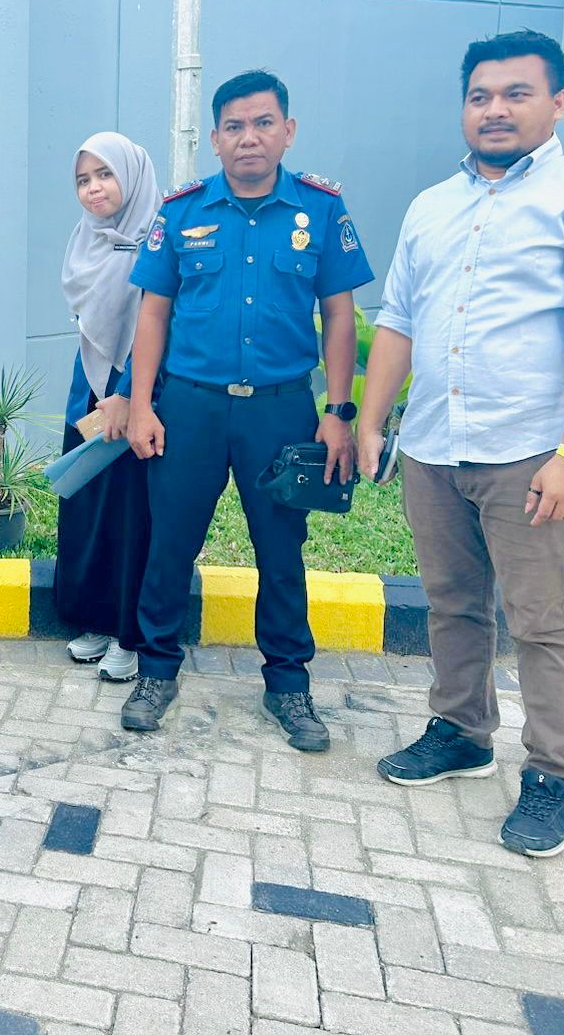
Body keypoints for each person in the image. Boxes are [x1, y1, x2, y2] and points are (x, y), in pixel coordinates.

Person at [360, 30, 564, 857]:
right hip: (435, 448)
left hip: (530, 455)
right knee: (453, 604)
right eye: (480, 96)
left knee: (543, 621)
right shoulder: (432, 206)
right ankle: (462, 733)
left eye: (516, 94)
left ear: (557, 102)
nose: (494, 109)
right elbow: (398, 320)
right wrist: (371, 420)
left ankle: (553, 775)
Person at [123, 70, 373, 749]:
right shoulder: (182, 213)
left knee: (281, 550)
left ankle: (288, 685)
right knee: (170, 543)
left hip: (281, 412)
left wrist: (338, 411)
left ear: (287, 131)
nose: (249, 138)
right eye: (234, 126)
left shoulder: (321, 211)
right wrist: (142, 405)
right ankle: (156, 670)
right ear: (215, 139)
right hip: (190, 409)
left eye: (263, 123)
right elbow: (153, 314)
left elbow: (340, 316)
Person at [56, 133, 161, 683]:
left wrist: (128, 394)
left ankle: (130, 634)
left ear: (132, 176)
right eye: (83, 180)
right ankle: (94, 618)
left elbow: (162, 323)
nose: (94, 188)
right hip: (90, 389)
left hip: (141, 394)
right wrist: (100, 394)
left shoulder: (158, 238)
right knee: (88, 507)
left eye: (105, 174)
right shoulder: (86, 239)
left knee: (132, 513)